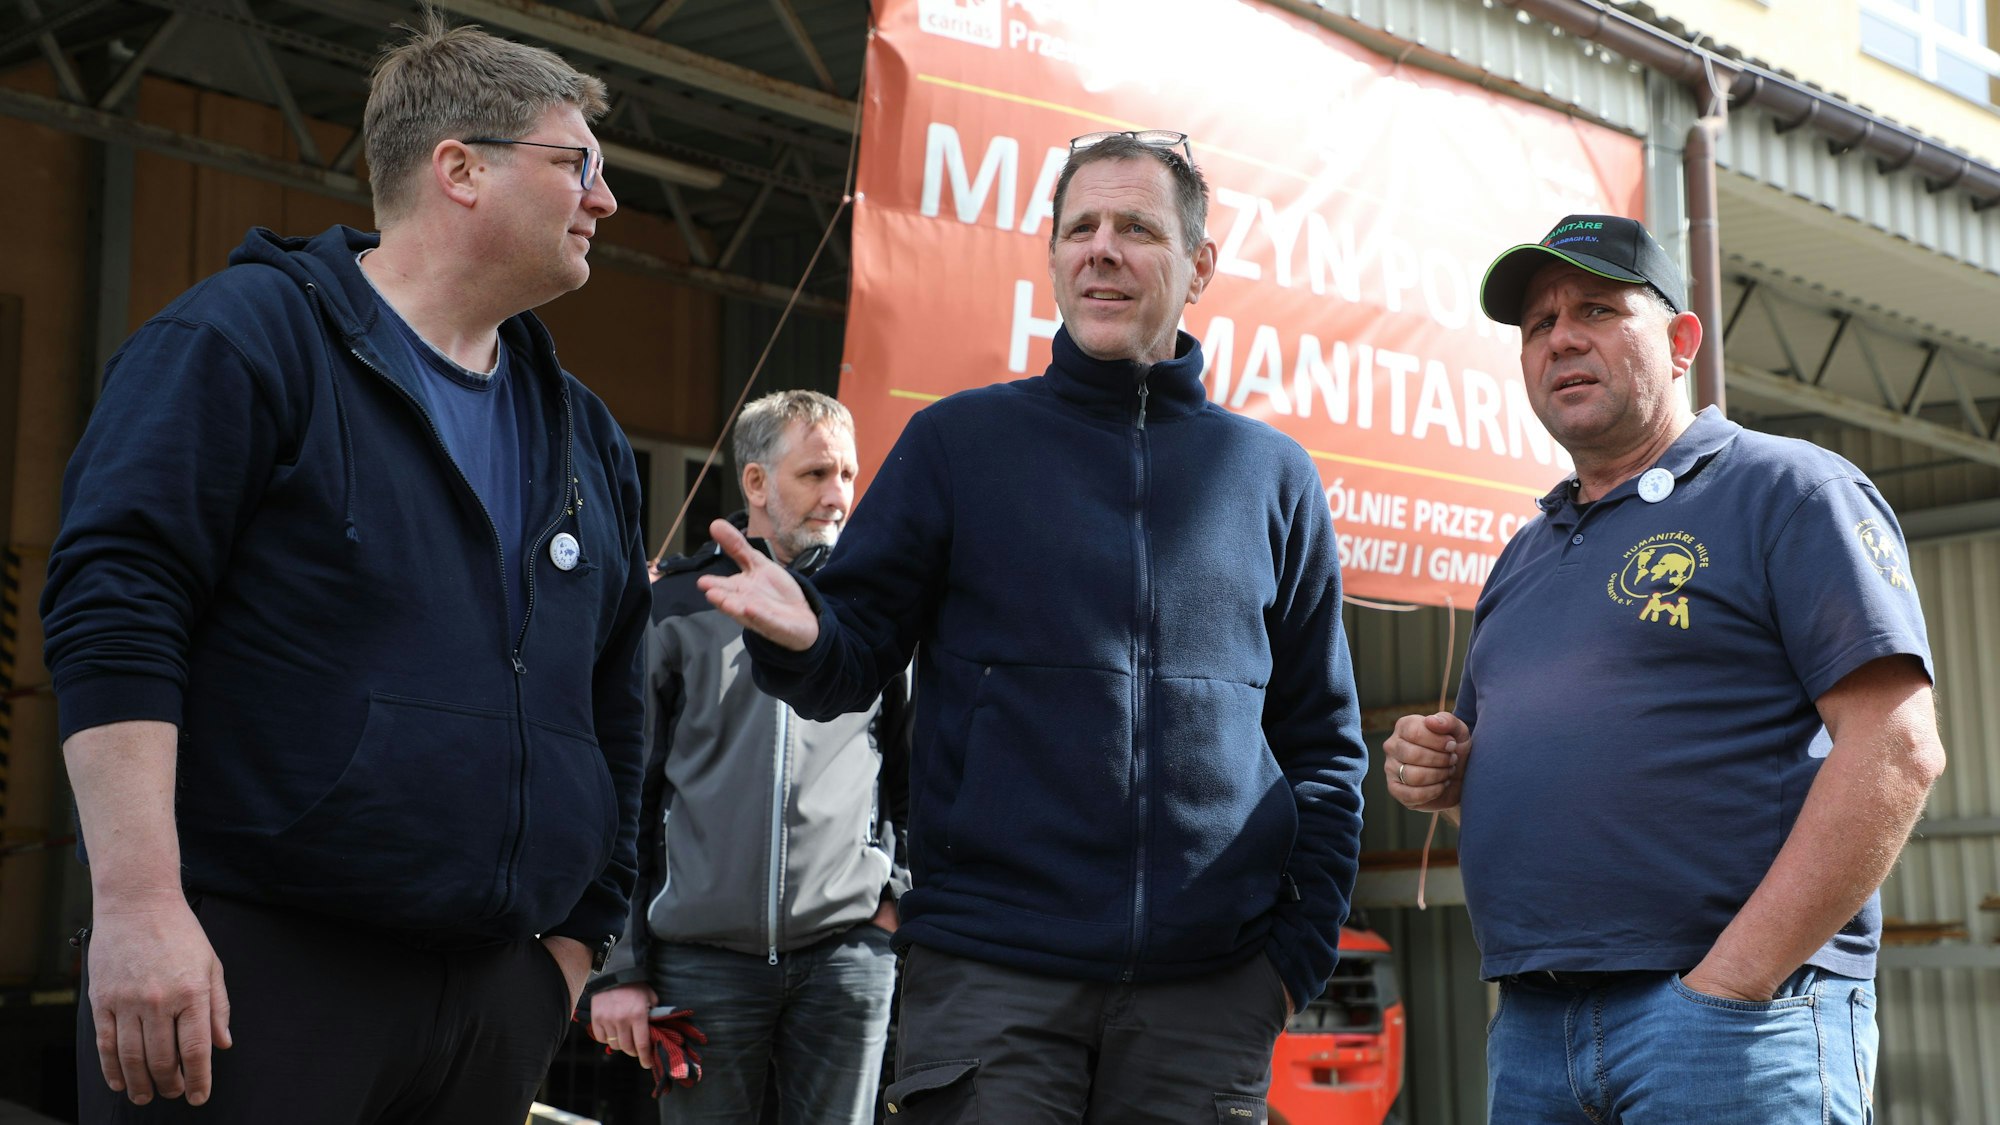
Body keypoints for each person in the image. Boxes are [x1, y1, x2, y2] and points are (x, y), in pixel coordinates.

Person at [41, 14, 650, 1123]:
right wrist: (137, 905)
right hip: (247, 974)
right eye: (578, 164)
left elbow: (615, 702)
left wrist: (571, 951)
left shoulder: (585, 434)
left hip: (492, 999)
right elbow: (115, 608)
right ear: (460, 168)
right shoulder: (244, 342)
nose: (604, 200)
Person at [696, 130, 1369, 1122]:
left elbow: (1322, 746)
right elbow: (853, 652)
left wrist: (1287, 960)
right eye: (1079, 227)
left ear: (1198, 267)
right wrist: (804, 636)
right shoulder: (957, 443)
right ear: (1052, 257)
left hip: (1206, 997)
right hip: (992, 981)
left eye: (1136, 228)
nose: (1102, 249)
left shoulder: (1270, 476)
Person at [1384, 214, 1945, 1123]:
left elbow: (1897, 747)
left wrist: (1731, 983)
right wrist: (1442, 773)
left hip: (1733, 1024)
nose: (1562, 337)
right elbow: (1531, 781)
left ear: (1682, 341)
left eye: (1597, 310)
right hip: (1535, 1031)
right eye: (1539, 323)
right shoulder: (1523, 557)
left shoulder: (1787, 491)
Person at [584, 390, 909, 1124]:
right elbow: (621, 793)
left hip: (848, 957)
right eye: (815, 473)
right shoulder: (676, 608)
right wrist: (619, 968)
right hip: (700, 964)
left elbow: (920, 773)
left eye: (848, 475)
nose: (838, 496)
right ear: (756, 482)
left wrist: (896, 901)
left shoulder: (879, 616)